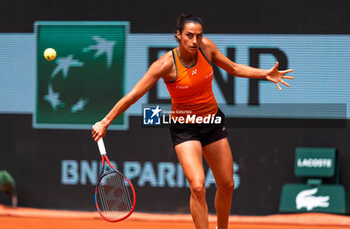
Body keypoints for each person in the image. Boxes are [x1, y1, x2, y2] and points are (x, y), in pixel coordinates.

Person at [92, 13, 293, 229]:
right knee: (197, 187)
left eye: (199, 35)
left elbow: (233, 68)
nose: (195, 41)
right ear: (178, 35)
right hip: (184, 128)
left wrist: (265, 74)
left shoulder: (206, 48)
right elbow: (133, 95)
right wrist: (106, 121)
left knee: (227, 184)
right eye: (189, 35)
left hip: (212, 122)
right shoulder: (165, 64)